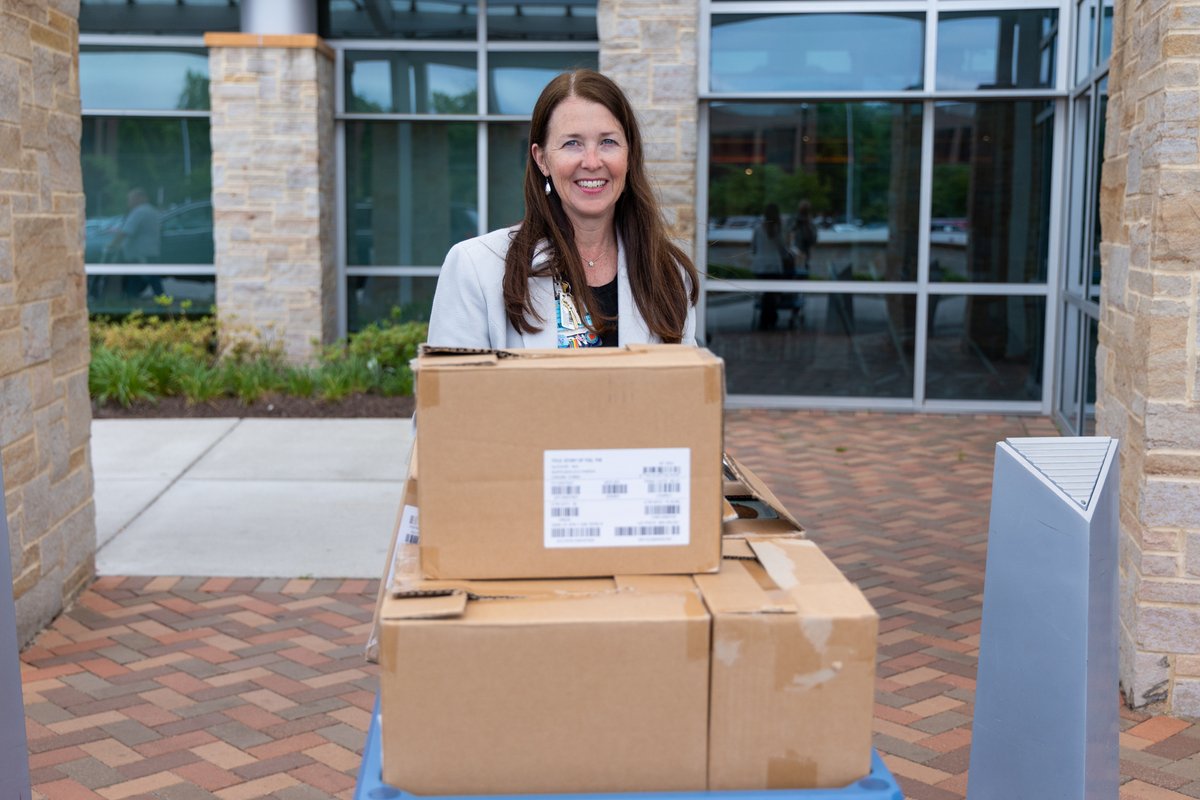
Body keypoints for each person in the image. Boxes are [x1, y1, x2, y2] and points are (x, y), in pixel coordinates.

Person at [427, 69, 698, 349]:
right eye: (572, 143)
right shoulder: (475, 268)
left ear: (629, 155)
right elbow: (454, 379)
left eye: (608, 142)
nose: (592, 162)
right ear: (542, 159)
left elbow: (686, 377)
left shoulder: (668, 274)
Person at [106, 187, 164, 297]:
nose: (129, 202)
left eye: (131, 199)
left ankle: (158, 300)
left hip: (140, 253)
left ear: (140, 198)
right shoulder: (152, 210)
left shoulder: (139, 211)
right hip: (150, 251)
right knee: (140, 278)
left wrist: (112, 245)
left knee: (148, 278)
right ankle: (132, 299)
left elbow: (126, 231)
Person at [750, 203, 790, 330]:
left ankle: (765, 319)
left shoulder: (758, 229)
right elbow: (783, 249)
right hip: (774, 266)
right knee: (772, 294)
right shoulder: (778, 230)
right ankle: (771, 318)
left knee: (765, 294)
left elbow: (753, 248)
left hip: (760, 266)